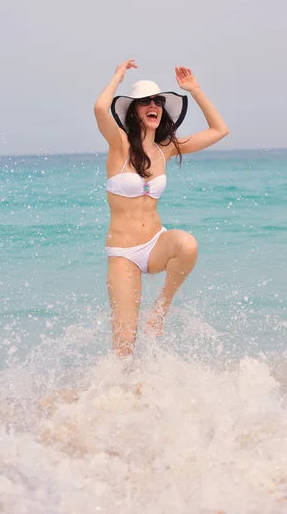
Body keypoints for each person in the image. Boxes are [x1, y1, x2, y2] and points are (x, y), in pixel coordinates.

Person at [94, 59, 229, 357]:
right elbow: (100, 109)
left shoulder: (165, 148)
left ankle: (161, 310)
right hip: (124, 255)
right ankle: (122, 398)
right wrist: (118, 75)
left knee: (187, 244)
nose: (153, 105)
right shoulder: (119, 145)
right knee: (124, 345)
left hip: (156, 243)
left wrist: (194, 89)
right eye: (144, 102)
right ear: (133, 111)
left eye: (157, 101)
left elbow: (219, 130)